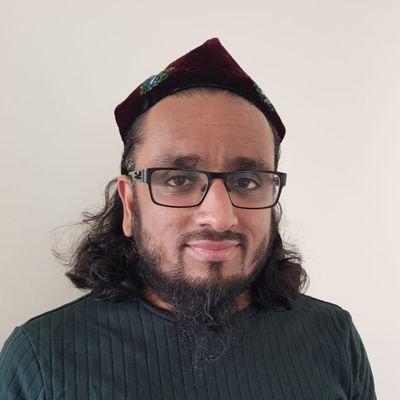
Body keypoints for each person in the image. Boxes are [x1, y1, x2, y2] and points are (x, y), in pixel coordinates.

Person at [0, 38, 376, 399]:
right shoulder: (41, 360)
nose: (220, 218)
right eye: (178, 180)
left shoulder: (333, 338)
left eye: (247, 181)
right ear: (129, 204)